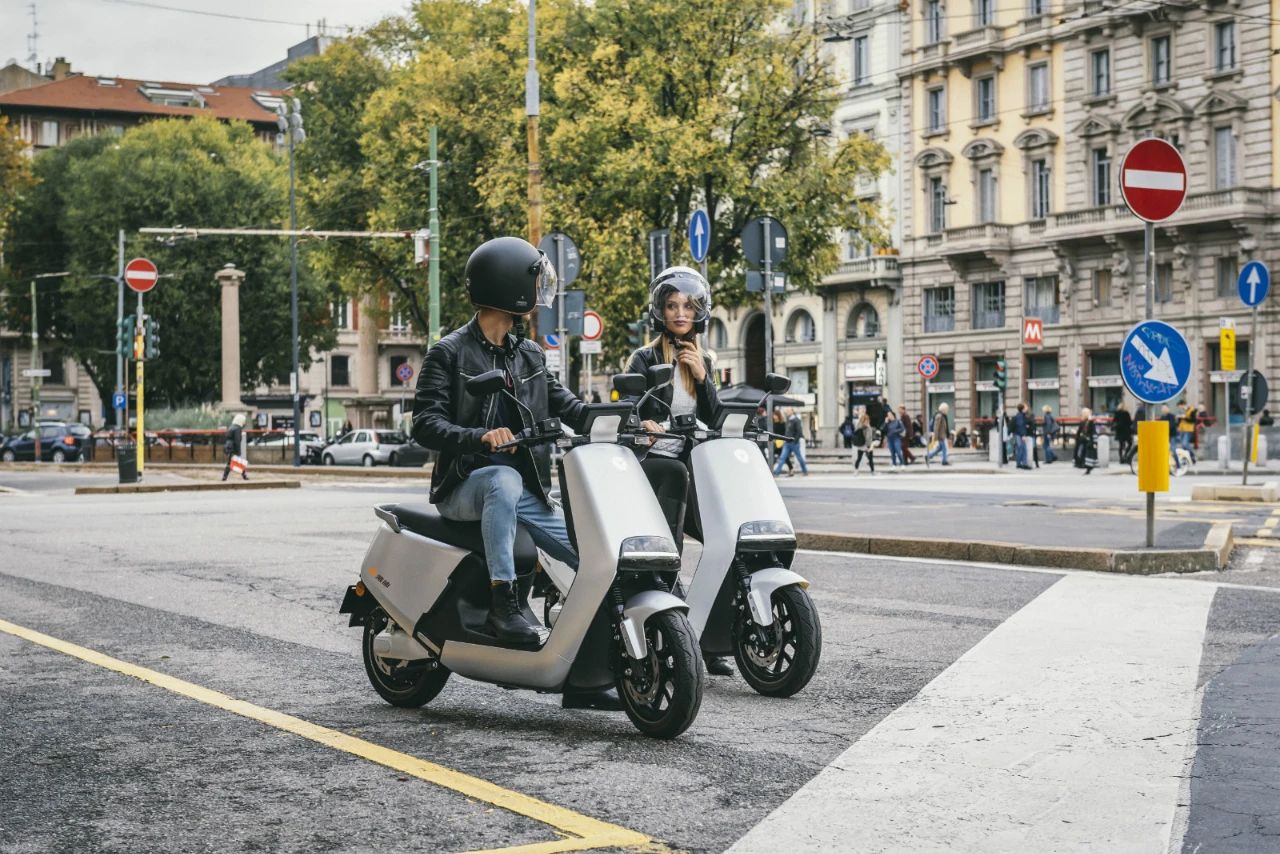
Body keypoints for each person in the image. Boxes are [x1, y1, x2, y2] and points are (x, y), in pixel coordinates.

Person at [411, 236, 589, 662]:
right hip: (464, 485)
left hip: (523, 490)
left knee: (587, 548)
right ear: (509, 287)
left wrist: (625, 416)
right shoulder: (449, 353)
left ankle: (591, 645)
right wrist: (479, 436)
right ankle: (502, 603)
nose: (538, 293)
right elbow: (424, 423)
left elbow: (570, 407)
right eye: (533, 283)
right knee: (503, 480)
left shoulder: (528, 355)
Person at [623, 266, 733, 677]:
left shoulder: (705, 359)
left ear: (700, 310)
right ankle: (681, 628)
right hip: (657, 466)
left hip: (693, 463)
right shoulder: (644, 357)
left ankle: (712, 638)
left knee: (724, 539)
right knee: (670, 548)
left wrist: (704, 378)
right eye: (671, 305)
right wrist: (644, 423)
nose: (680, 313)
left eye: (688, 305)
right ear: (660, 311)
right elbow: (627, 413)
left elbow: (717, 419)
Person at [773, 407, 810, 476]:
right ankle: (776, 472)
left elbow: (799, 432)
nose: (787, 412)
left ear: (792, 411)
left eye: (788, 411)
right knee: (782, 457)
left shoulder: (796, 420)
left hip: (794, 443)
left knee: (799, 457)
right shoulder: (788, 420)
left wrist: (795, 440)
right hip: (787, 443)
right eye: (786, 411)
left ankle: (805, 471)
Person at [221, 413, 247, 481]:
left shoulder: (231, 427)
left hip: (229, 447)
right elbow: (237, 440)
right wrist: (238, 451)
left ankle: (244, 476)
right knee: (233, 463)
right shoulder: (238, 428)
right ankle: (225, 477)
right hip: (234, 448)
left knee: (234, 462)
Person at [1074, 407, 1099, 474]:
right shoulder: (1085, 422)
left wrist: (1094, 442)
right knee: (1084, 454)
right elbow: (1080, 431)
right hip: (1085, 440)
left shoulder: (1090, 422)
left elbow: (1093, 432)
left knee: (1088, 454)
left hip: (1088, 441)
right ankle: (1085, 466)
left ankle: (1088, 468)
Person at [1012, 403, 1032, 469]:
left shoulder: (1019, 415)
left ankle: (1019, 463)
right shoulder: (1021, 416)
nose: (1027, 408)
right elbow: (1020, 426)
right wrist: (1023, 435)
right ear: (1023, 409)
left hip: (1018, 434)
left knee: (1020, 449)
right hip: (1020, 435)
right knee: (1023, 449)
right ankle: (1024, 464)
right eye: (1025, 407)